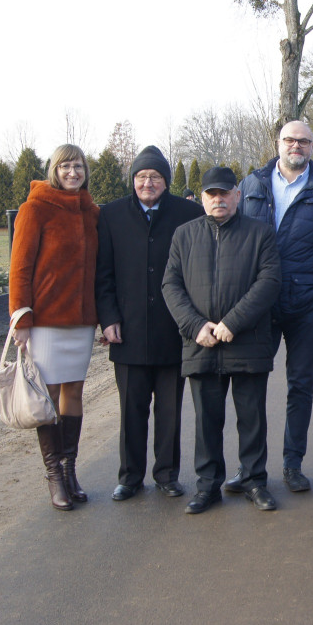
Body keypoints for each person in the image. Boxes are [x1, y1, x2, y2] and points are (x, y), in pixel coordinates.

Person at [236, 120, 313, 493]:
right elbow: (234, 241)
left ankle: (292, 463)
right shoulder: (251, 185)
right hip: (259, 305)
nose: (296, 146)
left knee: (300, 385)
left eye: (304, 141)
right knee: (251, 385)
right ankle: (250, 467)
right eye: (290, 139)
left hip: (306, 306)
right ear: (278, 143)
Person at [162, 167, 281, 514]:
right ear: (202, 198)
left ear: (237, 195)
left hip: (247, 341)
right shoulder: (184, 236)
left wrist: (233, 322)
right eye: (212, 194)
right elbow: (171, 285)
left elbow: (269, 282)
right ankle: (207, 486)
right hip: (202, 343)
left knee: (252, 418)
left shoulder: (260, 234)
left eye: (225, 193)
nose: (219, 199)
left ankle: (255, 481)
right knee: (206, 421)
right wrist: (195, 325)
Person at [96, 145, 203, 502]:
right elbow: (103, 274)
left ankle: (167, 475)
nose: (147, 183)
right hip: (127, 329)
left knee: (170, 410)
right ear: (133, 180)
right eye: (141, 177)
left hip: (173, 330)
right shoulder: (110, 215)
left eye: (155, 177)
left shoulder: (188, 213)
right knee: (131, 409)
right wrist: (108, 318)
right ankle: (129, 477)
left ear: (166, 181)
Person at [9, 144, 99, 510]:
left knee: (73, 393)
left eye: (78, 166)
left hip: (80, 321)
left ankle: (70, 468)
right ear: (54, 170)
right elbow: (19, 268)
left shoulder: (92, 213)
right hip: (44, 321)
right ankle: (53, 476)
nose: (73, 173)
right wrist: (22, 318)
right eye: (66, 167)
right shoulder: (35, 210)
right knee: (46, 398)